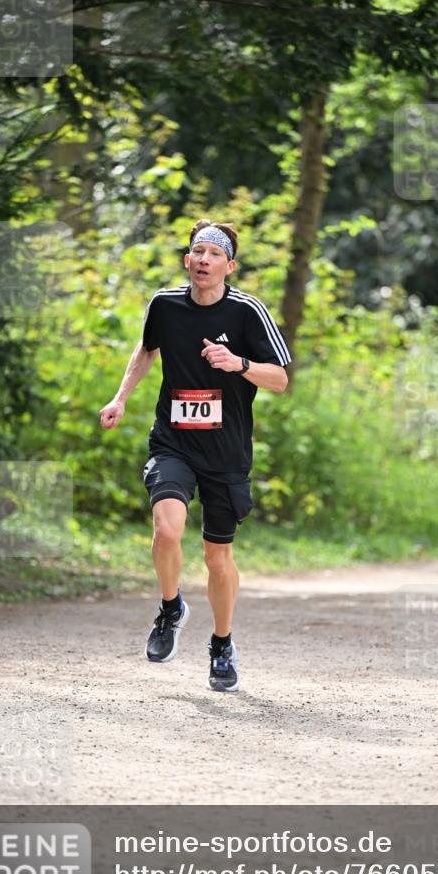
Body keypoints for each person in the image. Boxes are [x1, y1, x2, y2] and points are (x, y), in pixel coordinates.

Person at [99, 219, 291, 692]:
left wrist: (239, 364)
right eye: (197, 252)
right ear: (187, 260)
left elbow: (281, 379)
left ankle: (222, 644)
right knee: (167, 528)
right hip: (174, 441)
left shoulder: (248, 312)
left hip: (226, 451)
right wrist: (120, 397)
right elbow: (146, 351)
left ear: (230, 265)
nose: (203, 260)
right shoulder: (165, 305)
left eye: (213, 253)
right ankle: (170, 609)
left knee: (216, 556)